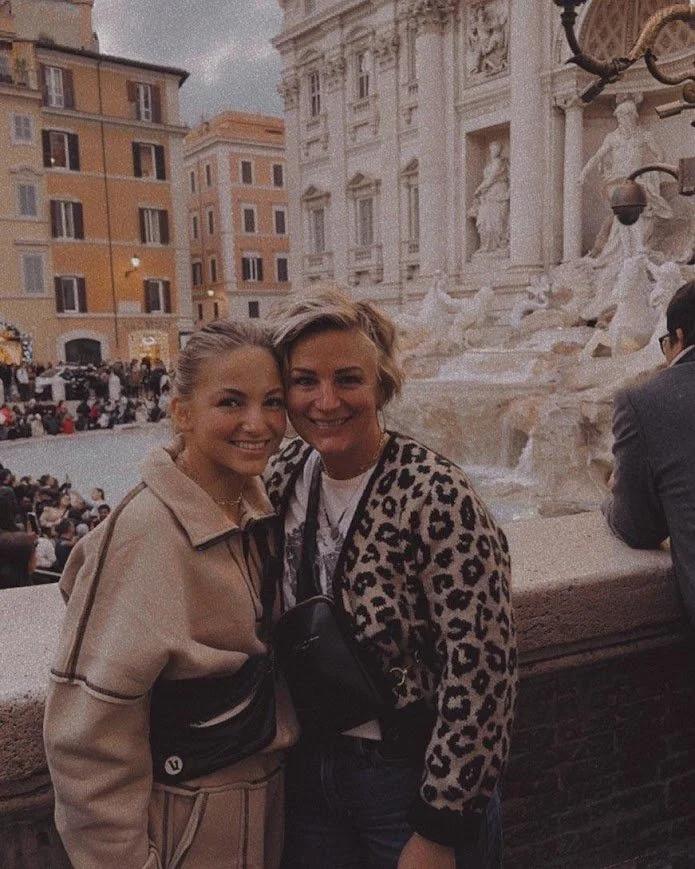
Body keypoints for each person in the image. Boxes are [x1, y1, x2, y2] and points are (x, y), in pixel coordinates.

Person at [266, 291, 517, 869]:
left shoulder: (437, 494)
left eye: (348, 379)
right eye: (305, 381)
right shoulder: (283, 475)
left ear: (381, 385)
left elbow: (483, 670)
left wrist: (440, 826)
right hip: (309, 770)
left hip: (409, 778)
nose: (326, 401)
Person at [43, 320, 298, 869]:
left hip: (265, 810)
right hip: (187, 825)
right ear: (182, 412)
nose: (258, 423)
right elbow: (87, 741)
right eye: (231, 402)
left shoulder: (256, 510)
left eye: (273, 402)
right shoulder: (146, 533)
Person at [603, 280, 695, 625]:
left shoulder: (644, 401)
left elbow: (638, 527)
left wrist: (611, 498)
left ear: (678, 337)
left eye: (665, 343)